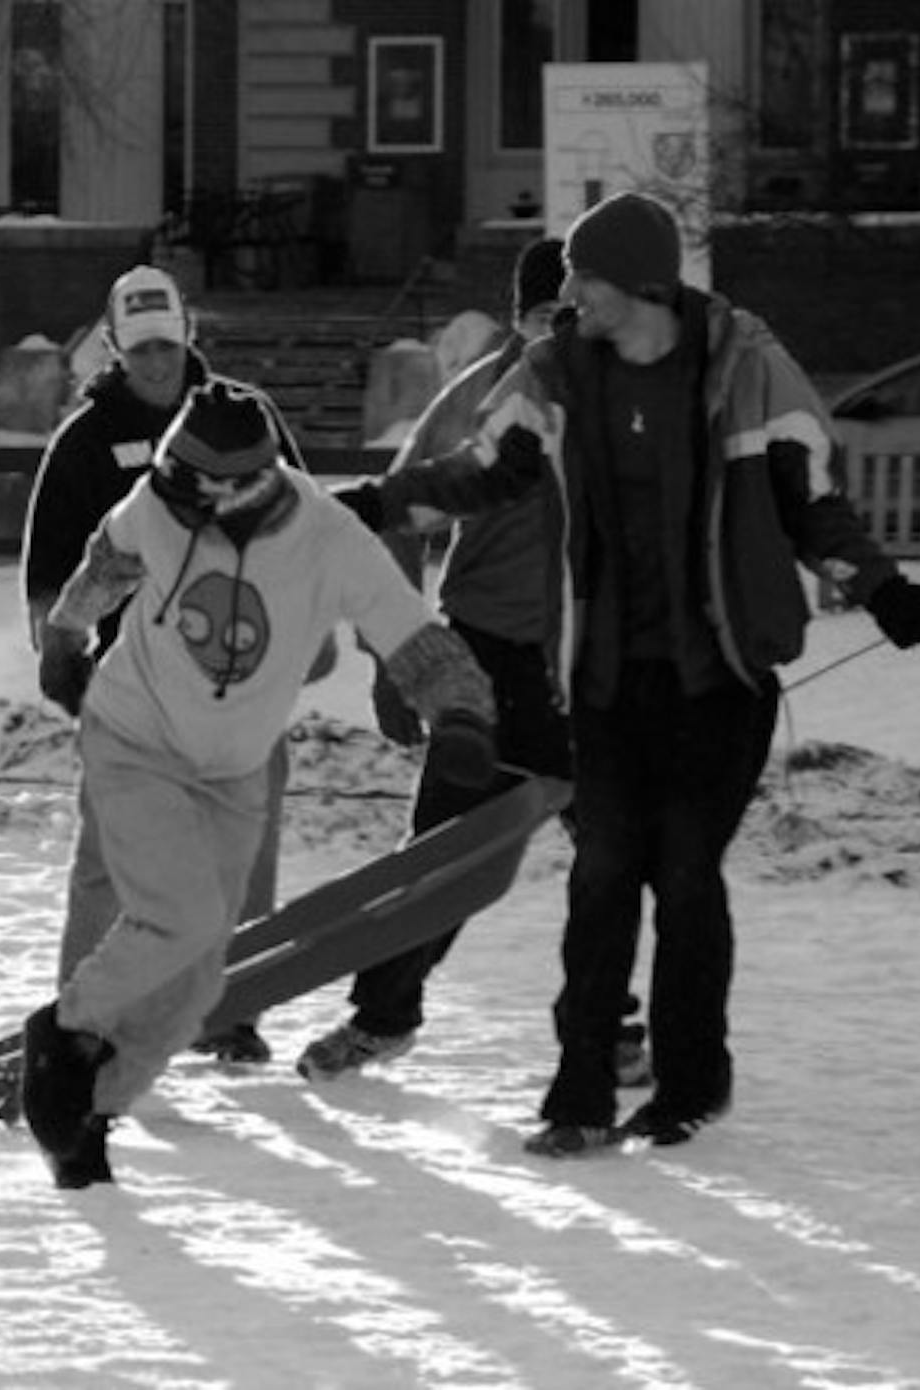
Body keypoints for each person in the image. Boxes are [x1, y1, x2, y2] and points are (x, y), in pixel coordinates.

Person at [355, 192, 920, 1156]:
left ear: (636, 284)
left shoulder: (750, 370)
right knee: (600, 875)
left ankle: (689, 1082)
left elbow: (810, 502)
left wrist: (883, 589)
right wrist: (377, 503)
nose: (571, 299)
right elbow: (482, 471)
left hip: (719, 678)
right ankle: (579, 1094)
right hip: (600, 674)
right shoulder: (555, 373)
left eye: (584, 282)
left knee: (682, 874)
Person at [20, 379, 501, 1188]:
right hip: (132, 736)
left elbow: (411, 635)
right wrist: (66, 635)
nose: (176, 506)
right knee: (181, 915)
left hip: (234, 768)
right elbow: (109, 561)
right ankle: (61, 1033)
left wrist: (462, 714)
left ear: (244, 486)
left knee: (202, 972)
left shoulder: (327, 538)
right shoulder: (161, 500)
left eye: (193, 494)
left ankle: (91, 1113)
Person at [299, 238, 650, 1090]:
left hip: (589, 654)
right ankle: (383, 1015)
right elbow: (395, 519)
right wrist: (396, 660)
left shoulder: (617, 395)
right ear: (516, 315)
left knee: (609, 851)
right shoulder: (478, 402)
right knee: (447, 851)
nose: (555, 331)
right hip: (486, 656)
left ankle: (610, 1031)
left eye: (569, 313)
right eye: (540, 315)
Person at [23, 263, 318, 1067]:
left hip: (236, 676)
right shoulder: (85, 443)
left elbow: (304, 527)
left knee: (242, 847)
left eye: (168, 348)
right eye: (140, 351)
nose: (156, 365)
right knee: (111, 860)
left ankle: (230, 1008)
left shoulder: (242, 421)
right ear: (116, 350)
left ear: (189, 341)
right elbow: (51, 568)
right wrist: (60, 656)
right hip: (134, 691)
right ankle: (86, 1022)